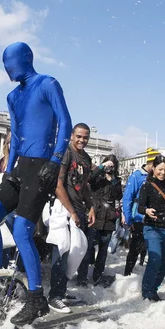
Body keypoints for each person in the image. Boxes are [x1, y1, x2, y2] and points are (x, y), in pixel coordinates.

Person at [0, 42, 72, 326]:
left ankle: (36, 298)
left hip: (42, 167)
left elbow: (65, 122)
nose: (7, 67)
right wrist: (8, 170)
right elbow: (16, 135)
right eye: (3, 63)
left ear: (25, 59)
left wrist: (55, 160)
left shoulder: (47, 83)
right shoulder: (12, 96)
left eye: (10, 61)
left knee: (22, 230)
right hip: (19, 168)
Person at [50, 123, 95, 312]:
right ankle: (54, 296)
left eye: (85, 137)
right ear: (72, 135)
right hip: (63, 208)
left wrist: (91, 207)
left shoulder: (86, 158)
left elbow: (84, 187)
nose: (82, 140)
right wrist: (72, 211)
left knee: (77, 251)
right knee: (61, 250)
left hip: (77, 209)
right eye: (79, 136)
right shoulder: (65, 152)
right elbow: (57, 185)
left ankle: (62, 290)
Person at [77, 154, 122, 288]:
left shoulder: (116, 180)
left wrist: (112, 180)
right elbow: (88, 179)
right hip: (94, 216)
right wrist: (101, 168)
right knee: (88, 248)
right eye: (109, 165)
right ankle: (82, 277)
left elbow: (118, 195)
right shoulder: (97, 177)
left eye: (112, 166)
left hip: (108, 218)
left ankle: (97, 275)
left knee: (103, 251)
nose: (110, 168)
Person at [137, 155, 165, 301]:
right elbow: (140, 206)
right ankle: (147, 292)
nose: (163, 173)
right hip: (152, 227)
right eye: (160, 169)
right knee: (155, 259)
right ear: (153, 168)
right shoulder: (146, 185)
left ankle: (154, 287)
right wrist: (146, 210)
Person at [122, 148, 160, 276]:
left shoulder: (157, 178)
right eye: (155, 166)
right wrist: (129, 219)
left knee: (153, 248)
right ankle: (128, 274)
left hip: (154, 218)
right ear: (150, 164)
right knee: (135, 247)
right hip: (139, 218)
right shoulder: (137, 176)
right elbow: (127, 198)